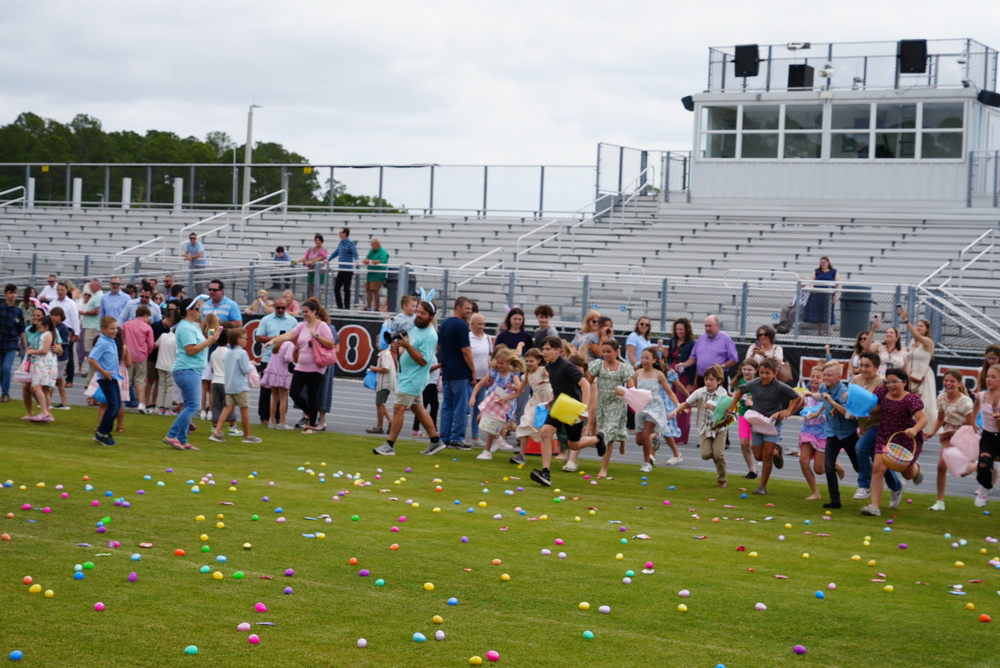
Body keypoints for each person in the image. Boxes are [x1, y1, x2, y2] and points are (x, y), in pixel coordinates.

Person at [529, 335, 608, 487]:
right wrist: (552, 400)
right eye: (543, 349)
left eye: (548, 349)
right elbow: (559, 386)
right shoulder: (549, 367)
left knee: (574, 445)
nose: (544, 352)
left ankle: (598, 439)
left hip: (573, 408)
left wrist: (583, 408)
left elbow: (585, 384)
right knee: (545, 432)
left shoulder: (567, 366)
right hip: (560, 406)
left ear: (558, 351)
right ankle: (546, 472)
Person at [372, 301, 445, 456]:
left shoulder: (431, 335)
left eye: (422, 313)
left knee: (398, 408)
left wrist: (407, 347)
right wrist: (401, 347)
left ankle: (389, 445)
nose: (418, 315)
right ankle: (435, 441)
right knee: (418, 409)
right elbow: (411, 349)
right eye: (417, 311)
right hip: (408, 375)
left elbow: (423, 360)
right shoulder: (417, 328)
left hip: (414, 378)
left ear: (431, 316)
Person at [728, 357, 802, 495]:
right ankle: (777, 452)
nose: (763, 376)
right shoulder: (755, 384)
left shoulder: (779, 386)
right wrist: (732, 407)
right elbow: (740, 390)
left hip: (773, 424)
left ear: (774, 373)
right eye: (761, 372)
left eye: (767, 373)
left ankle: (762, 486)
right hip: (757, 422)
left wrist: (788, 411)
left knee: (767, 455)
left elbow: (798, 398)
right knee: (758, 456)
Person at [262, 299, 336, 435]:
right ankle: (310, 414)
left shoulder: (322, 326)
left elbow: (331, 344)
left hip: (316, 366)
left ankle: (311, 427)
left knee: (312, 396)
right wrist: (272, 341)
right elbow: (288, 335)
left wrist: (317, 336)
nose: (304, 315)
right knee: (294, 392)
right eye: (303, 312)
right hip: (301, 365)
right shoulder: (302, 326)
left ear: (314, 312)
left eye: (307, 312)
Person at [860, 369, 927, 517]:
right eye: (888, 381)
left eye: (893, 382)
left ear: (904, 383)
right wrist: (860, 408)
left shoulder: (911, 399)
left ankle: (915, 468)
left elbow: (923, 419)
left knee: (908, 474)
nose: (890, 385)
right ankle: (874, 506)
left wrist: (915, 430)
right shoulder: (882, 392)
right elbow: (876, 407)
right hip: (885, 436)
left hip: (906, 438)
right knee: (878, 468)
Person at [163, 297, 222, 451]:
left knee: (190, 405)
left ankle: (182, 440)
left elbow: (201, 346)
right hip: (187, 370)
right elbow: (191, 350)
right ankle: (172, 435)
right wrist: (208, 342)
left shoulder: (192, 326)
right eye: (197, 308)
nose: (199, 311)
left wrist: (211, 339)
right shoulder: (186, 328)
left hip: (191, 370)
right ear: (189, 311)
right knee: (194, 406)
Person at [844, 352, 900, 505]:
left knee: (860, 448)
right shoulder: (856, 380)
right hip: (863, 425)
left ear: (876, 367)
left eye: (867, 366)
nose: (863, 368)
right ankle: (897, 486)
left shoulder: (882, 383)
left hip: (878, 426)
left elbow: (882, 406)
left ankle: (863, 485)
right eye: (861, 365)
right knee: (879, 463)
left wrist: (863, 409)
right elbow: (852, 400)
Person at [670, 364, 731, 488]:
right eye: (706, 379)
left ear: (719, 381)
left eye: (711, 379)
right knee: (706, 455)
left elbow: (726, 408)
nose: (708, 382)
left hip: (720, 426)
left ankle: (722, 479)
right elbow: (687, 403)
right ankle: (717, 460)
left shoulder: (722, 392)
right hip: (705, 427)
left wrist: (714, 406)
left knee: (718, 454)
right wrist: (676, 411)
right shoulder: (700, 392)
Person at [581, 339, 635, 476]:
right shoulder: (598, 365)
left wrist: (623, 391)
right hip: (602, 404)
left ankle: (603, 468)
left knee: (606, 435)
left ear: (617, 352)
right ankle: (622, 438)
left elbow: (632, 389)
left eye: (609, 352)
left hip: (616, 404)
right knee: (606, 432)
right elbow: (587, 383)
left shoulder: (624, 368)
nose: (605, 354)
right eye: (603, 351)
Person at [925, 369, 975, 511]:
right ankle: (940, 502)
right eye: (946, 380)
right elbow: (941, 419)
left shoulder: (965, 401)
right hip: (948, 433)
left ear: (959, 384)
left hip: (962, 434)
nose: (948, 383)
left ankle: (976, 465)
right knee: (941, 466)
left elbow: (970, 425)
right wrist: (932, 432)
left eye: (952, 381)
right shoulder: (941, 397)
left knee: (961, 472)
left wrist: (961, 438)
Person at [208, 328, 262, 444]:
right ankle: (248, 435)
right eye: (245, 338)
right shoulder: (242, 353)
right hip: (240, 386)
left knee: (227, 408)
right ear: (238, 340)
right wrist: (252, 365)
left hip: (229, 386)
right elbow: (245, 369)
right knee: (244, 410)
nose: (247, 340)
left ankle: (217, 432)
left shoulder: (229, 353)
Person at [469, 347, 524, 460]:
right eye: (498, 363)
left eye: (502, 363)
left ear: (509, 362)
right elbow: (479, 384)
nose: (499, 365)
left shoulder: (513, 374)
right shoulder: (494, 372)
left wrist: (513, 388)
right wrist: (473, 396)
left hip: (506, 401)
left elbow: (520, 389)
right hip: (494, 399)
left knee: (493, 423)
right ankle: (499, 438)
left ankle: (487, 451)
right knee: (480, 419)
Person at [798, 367, 845, 500]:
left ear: (823, 380)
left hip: (823, 434)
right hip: (807, 432)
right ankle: (815, 492)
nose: (814, 379)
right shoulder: (806, 396)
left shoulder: (826, 395)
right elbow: (795, 407)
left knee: (819, 469)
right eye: (812, 376)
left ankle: (834, 463)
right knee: (803, 461)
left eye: (818, 377)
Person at [438, 297, 476, 449]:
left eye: (471, 309)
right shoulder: (461, 325)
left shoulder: (446, 323)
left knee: (447, 406)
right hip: (460, 372)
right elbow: (466, 350)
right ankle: (457, 438)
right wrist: (473, 371)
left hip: (447, 371)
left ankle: (445, 437)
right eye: (467, 308)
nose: (470, 312)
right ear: (458, 308)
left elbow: (441, 346)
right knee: (461, 407)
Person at [254, 296, 296, 426]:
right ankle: (265, 418)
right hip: (268, 359)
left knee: (282, 391)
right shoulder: (266, 320)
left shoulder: (292, 320)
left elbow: (296, 338)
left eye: (283, 307)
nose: (280, 310)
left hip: (284, 361)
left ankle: (279, 418)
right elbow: (258, 337)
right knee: (266, 391)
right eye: (278, 307)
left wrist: (287, 342)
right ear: (274, 307)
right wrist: (274, 339)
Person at [509, 348, 552, 467]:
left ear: (538, 360)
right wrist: (513, 391)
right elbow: (520, 391)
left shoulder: (542, 370)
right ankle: (521, 455)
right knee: (524, 425)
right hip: (534, 403)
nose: (528, 364)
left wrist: (545, 380)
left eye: (531, 361)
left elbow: (553, 379)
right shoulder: (526, 375)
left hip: (546, 404)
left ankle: (551, 457)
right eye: (527, 361)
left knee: (544, 430)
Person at [898, 308, 937, 428]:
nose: (918, 328)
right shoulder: (912, 342)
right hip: (911, 373)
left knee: (923, 401)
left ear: (926, 329)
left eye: (921, 326)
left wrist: (906, 321)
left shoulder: (928, 341)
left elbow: (915, 334)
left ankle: (924, 427)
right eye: (917, 325)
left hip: (922, 376)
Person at [88, 316, 123, 446]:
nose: (115, 331)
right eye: (112, 328)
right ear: (103, 329)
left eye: (116, 328)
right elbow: (92, 359)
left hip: (113, 377)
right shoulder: (103, 342)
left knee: (116, 405)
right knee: (113, 405)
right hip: (106, 378)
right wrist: (103, 372)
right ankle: (101, 433)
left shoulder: (111, 340)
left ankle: (106, 432)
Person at [678, 315, 739, 387]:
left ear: (717, 325)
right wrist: (684, 364)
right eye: (706, 326)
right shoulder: (701, 338)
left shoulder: (726, 339)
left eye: (710, 326)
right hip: (702, 378)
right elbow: (693, 357)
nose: (707, 328)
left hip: (717, 379)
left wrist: (722, 366)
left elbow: (734, 358)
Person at [666, 318, 697, 444]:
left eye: (681, 329)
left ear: (686, 330)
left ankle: (681, 437)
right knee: (670, 404)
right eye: (677, 329)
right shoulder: (673, 341)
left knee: (683, 407)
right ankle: (670, 433)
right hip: (671, 377)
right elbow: (669, 358)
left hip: (683, 377)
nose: (679, 331)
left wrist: (690, 383)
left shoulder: (691, 344)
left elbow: (694, 363)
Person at [24, 312, 58, 424]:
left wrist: (31, 351)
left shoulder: (47, 335)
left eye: (40, 327)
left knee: (37, 387)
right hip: (47, 364)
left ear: (46, 327)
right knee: (45, 389)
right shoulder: (50, 334)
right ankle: (46, 412)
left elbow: (44, 350)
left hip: (44, 364)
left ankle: (44, 412)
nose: (38, 329)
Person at [974, 365, 1000, 507]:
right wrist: (972, 422)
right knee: (983, 465)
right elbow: (976, 404)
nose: (989, 379)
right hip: (988, 437)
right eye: (988, 376)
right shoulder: (982, 395)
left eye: (993, 377)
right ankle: (986, 488)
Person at [121, 305, 155, 413]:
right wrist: (146, 353)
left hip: (127, 355)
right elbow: (150, 344)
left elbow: (121, 338)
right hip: (141, 356)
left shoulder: (126, 325)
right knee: (140, 380)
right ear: (145, 315)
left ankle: (121, 401)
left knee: (126, 379)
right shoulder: (147, 327)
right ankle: (141, 403)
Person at [467, 312, 493, 445]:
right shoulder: (468, 338)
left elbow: (490, 356)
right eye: (479, 324)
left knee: (479, 407)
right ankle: (458, 434)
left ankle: (475, 436)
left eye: (483, 324)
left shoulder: (487, 338)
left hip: (482, 378)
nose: (482, 326)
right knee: (466, 406)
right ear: (472, 325)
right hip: (469, 377)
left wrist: (490, 375)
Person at [731, 359, 759, 479]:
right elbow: (735, 397)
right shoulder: (739, 382)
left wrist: (752, 401)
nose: (746, 372)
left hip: (756, 416)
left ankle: (771, 454)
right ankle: (752, 470)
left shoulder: (759, 382)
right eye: (744, 369)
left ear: (755, 371)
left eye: (749, 370)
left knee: (753, 444)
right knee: (744, 443)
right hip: (743, 415)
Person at [0, 283, 27, 403]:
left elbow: (21, 329)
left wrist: (24, 346)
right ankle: (5, 391)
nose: (13, 295)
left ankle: (5, 393)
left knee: (7, 368)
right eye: (11, 292)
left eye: (15, 292)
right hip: (0, 342)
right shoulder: (0, 309)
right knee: (1, 370)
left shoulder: (18, 311)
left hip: (11, 344)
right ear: (6, 294)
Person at [366, 340, 399, 435]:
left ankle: (379, 427)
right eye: (376, 342)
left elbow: (386, 369)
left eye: (379, 342)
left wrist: (373, 368)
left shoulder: (385, 354)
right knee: (381, 403)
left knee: (379, 404)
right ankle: (390, 421)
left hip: (385, 383)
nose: (377, 344)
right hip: (386, 382)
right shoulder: (388, 354)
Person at [261, 340, 295, 430]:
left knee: (274, 398)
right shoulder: (290, 344)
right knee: (283, 398)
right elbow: (288, 358)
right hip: (281, 372)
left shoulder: (278, 345)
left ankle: (271, 422)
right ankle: (282, 423)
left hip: (272, 372)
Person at [802, 256, 839, 335]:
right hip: (818, 295)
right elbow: (811, 282)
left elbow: (838, 285)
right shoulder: (816, 271)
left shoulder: (834, 272)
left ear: (828, 263)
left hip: (829, 295)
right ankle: (820, 331)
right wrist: (813, 289)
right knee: (819, 312)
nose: (823, 264)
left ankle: (831, 331)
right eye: (821, 262)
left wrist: (836, 295)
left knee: (830, 312)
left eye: (824, 262)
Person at [153, 311, 178, 415]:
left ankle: (159, 407)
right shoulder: (177, 339)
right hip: (170, 366)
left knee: (162, 386)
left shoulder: (163, 335)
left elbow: (155, 345)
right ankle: (167, 408)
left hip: (160, 364)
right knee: (169, 387)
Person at [329, 228, 360, 310]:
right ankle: (340, 306)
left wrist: (357, 260)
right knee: (337, 288)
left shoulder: (350, 243)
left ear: (345, 233)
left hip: (347, 270)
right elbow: (336, 252)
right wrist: (328, 259)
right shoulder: (341, 243)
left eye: (341, 232)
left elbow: (355, 253)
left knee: (346, 289)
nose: (339, 234)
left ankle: (347, 306)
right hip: (341, 269)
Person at [48, 307, 71, 410]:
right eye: (52, 315)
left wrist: (58, 345)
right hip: (55, 356)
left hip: (61, 357)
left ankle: (47, 401)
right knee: (59, 380)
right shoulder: (51, 327)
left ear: (61, 317)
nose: (54, 317)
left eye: (56, 315)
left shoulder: (63, 328)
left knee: (54, 379)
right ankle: (63, 402)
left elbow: (67, 342)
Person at [362, 237, 389, 311]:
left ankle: (376, 307)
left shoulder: (383, 251)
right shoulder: (371, 251)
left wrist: (370, 261)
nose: (371, 246)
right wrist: (366, 261)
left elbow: (381, 261)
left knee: (375, 290)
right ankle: (368, 306)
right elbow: (367, 259)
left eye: (372, 244)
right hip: (370, 273)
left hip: (378, 274)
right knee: (368, 290)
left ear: (377, 244)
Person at [300, 234, 328, 299]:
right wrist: (298, 261)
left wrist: (311, 262)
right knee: (311, 288)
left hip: (319, 271)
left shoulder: (323, 249)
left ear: (322, 241)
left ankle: (318, 303)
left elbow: (320, 258)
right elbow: (306, 258)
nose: (317, 241)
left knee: (317, 288)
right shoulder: (311, 249)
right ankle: (312, 302)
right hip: (311, 270)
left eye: (319, 240)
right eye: (316, 240)